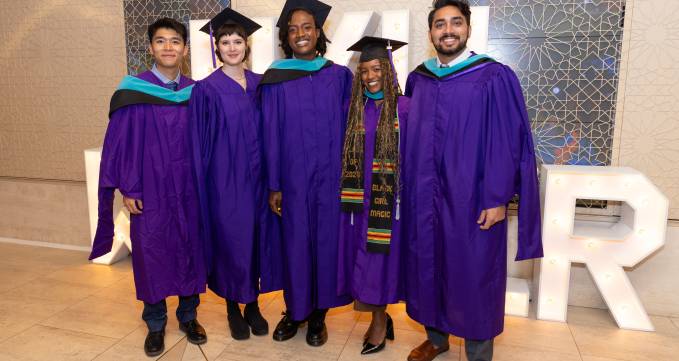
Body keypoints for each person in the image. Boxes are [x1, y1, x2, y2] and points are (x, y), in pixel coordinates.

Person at [402, 1, 543, 360]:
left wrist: (497, 198)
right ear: (430, 31)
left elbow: (507, 141)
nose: (447, 30)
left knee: (474, 273)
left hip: (473, 198)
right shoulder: (418, 78)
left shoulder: (493, 76)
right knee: (429, 265)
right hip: (425, 195)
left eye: (455, 23)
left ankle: (479, 353)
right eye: (439, 24)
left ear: (468, 28)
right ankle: (437, 339)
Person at [89, 18, 207, 357]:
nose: (168, 47)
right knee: (151, 255)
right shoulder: (133, 91)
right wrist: (129, 188)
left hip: (189, 189)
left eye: (175, 41)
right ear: (150, 47)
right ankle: (155, 325)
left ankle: (188, 317)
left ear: (185, 48)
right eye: (160, 41)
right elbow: (120, 145)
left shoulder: (195, 92)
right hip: (149, 190)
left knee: (188, 248)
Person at [259, 0, 353, 347]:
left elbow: (352, 130)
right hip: (293, 181)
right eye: (294, 29)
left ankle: (318, 317)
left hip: (331, 181)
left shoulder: (339, 75)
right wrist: (274, 184)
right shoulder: (275, 79)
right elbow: (270, 133)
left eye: (307, 27)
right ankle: (294, 312)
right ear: (287, 36)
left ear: (318, 33)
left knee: (326, 246)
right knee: (295, 246)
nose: (301, 34)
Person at [190, 8, 282, 341]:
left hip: (260, 182)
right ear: (217, 48)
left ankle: (253, 305)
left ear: (247, 45)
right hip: (225, 182)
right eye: (225, 41)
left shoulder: (261, 84)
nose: (232, 47)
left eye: (237, 41)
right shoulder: (206, 90)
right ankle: (233, 307)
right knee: (233, 243)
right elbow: (199, 144)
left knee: (257, 241)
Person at [337, 36, 409, 355]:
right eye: (364, 70)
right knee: (363, 263)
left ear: (389, 71)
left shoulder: (405, 109)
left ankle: (379, 322)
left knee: (380, 264)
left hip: (390, 202)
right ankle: (380, 317)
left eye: (377, 68)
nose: (370, 76)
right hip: (357, 203)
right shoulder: (354, 108)